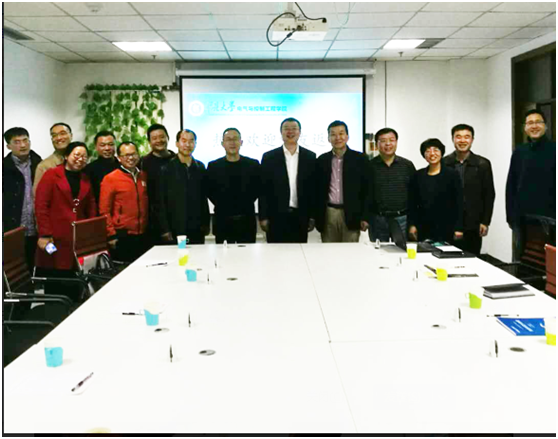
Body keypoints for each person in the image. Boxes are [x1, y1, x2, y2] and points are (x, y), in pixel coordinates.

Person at [34, 142, 97, 272]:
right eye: (77, 155)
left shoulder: (85, 178)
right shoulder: (51, 175)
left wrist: (90, 229)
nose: (80, 159)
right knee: (55, 269)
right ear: (67, 156)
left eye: (84, 157)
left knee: (75, 272)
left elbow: (91, 205)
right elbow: (41, 205)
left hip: (78, 236)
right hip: (54, 235)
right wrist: (44, 234)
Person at [506, 109, 556, 259]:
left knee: (547, 261)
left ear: (545, 126)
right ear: (525, 128)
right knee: (523, 260)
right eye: (530, 123)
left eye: (538, 122)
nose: (534, 126)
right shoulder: (520, 152)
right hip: (522, 217)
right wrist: (510, 215)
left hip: (550, 218)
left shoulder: (555, 150)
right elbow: (511, 185)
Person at [259, 118, 316, 243]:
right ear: (281, 132)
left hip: (301, 216)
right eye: (286, 129)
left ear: (300, 132)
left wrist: (312, 216)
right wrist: (263, 216)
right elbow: (263, 189)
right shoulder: (269, 157)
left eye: (294, 128)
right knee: (275, 252)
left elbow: (313, 189)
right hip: (276, 216)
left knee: (299, 252)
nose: (290, 132)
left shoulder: (310, 157)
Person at [443, 124, 495, 255]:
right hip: (448, 222)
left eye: (467, 137)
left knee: (472, 258)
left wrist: (485, 221)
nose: (462, 140)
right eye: (458, 137)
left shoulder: (482, 164)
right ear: (453, 139)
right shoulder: (444, 163)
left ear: (472, 140)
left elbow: (489, 194)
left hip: (473, 222)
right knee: (447, 258)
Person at [315, 121, 368, 243]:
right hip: (329, 213)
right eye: (333, 134)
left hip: (352, 213)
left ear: (347, 136)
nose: (337, 137)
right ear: (328, 138)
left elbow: (367, 190)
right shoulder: (322, 160)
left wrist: (365, 217)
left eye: (341, 133)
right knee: (328, 250)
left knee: (350, 251)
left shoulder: (360, 159)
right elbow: (316, 190)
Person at [207, 128, 260, 244]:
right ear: (222, 143)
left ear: (241, 142)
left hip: (247, 221)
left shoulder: (253, 165)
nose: (232, 142)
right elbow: (210, 192)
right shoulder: (213, 166)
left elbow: (257, 190)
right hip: (222, 222)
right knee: (223, 254)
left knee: (247, 254)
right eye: (228, 139)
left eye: (235, 139)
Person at [157, 129, 210, 245]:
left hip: (197, 227)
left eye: (191, 141)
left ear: (195, 144)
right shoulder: (166, 168)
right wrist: (165, 229)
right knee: (181, 254)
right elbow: (161, 201)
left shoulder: (200, 167)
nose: (187, 144)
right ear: (177, 144)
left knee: (197, 255)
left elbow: (203, 197)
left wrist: (206, 223)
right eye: (184, 141)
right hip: (176, 227)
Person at [99, 142, 149, 263]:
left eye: (133, 154)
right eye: (126, 155)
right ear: (119, 158)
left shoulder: (143, 175)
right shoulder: (110, 178)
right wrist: (111, 234)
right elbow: (104, 210)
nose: (130, 158)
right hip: (122, 235)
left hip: (143, 234)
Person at [408, 139, 463, 243]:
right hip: (423, 226)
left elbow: (459, 202)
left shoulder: (452, 175)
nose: (432, 153)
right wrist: (412, 225)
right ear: (424, 155)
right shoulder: (418, 175)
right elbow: (413, 203)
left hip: (447, 227)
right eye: (428, 151)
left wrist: (459, 228)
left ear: (441, 153)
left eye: (436, 150)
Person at [3, 127, 43, 270]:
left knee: (41, 263)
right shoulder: (4, 168)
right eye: (17, 142)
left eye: (25, 140)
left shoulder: (40, 164)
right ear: (8, 146)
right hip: (13, 228)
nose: (23, 145)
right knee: (16, 268)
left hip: (38, 227)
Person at [367, 128, 416, 242]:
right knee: (378, 250)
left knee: (402, 250)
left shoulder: (407, 165)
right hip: (377, 219)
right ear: (377, 144)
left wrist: (414, 222)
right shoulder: (369, 166)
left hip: (402, 218)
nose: (388, 144)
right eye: (383, 141)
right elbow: (365, 194)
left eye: (391, 140)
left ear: (396, 142)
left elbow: (414, 195)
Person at [141, 124, 176, 245]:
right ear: (149, 142)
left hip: (177, 219)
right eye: (154, 138)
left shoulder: (177, 160)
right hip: (153, 223)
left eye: (162, 137)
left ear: (168, 138)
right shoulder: (143, 163)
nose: (159, 140)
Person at [33, 122, 73, 193]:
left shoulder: (80, 161)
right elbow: (38, 195)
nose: (58, 138)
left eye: (62, 133)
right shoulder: (44, 166)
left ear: (71, 136)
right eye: (54, 135)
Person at [84, 130, 119, 203]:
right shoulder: (89, 169)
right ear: (96, 147)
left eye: (110, 144)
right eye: (102, 145)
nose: (107, 148)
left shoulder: (122, 166)